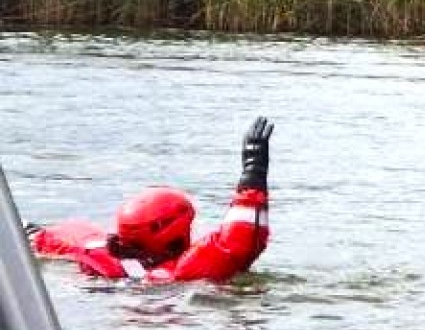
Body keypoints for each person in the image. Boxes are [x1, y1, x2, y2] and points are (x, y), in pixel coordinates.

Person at [25, 118, 274, 283]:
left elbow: (33, 235)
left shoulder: (91, 246)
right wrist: (254, 172)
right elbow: (237, 243)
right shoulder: (174, 274)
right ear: (173, 237)